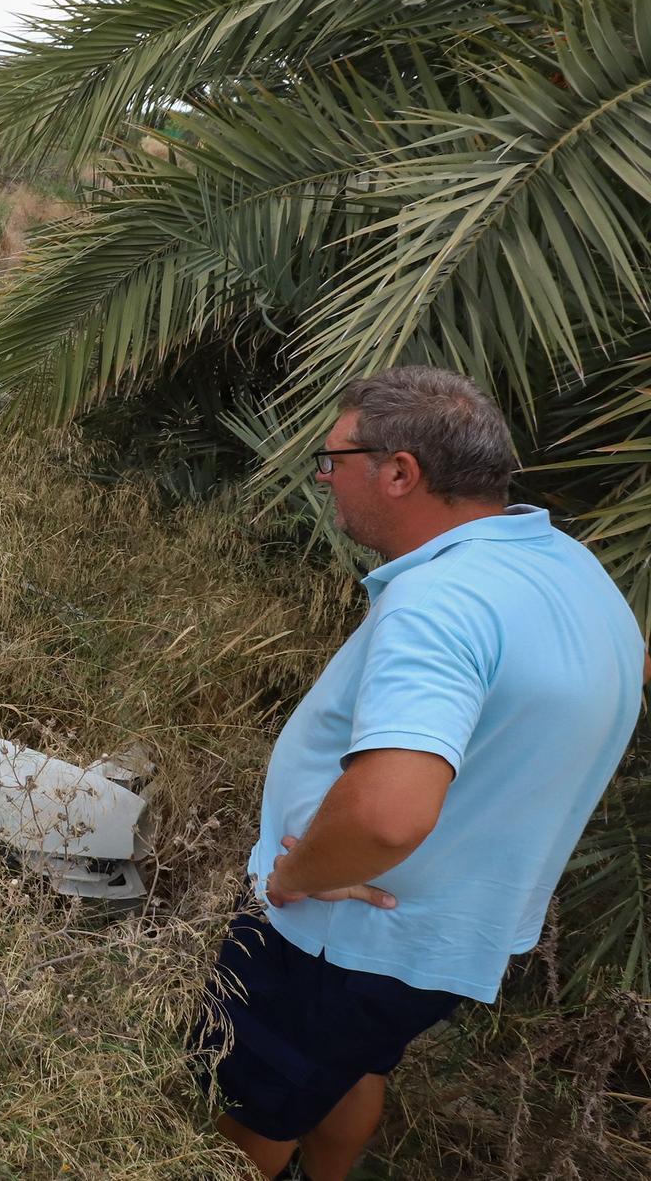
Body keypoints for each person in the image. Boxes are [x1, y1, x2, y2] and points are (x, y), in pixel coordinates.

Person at [193, 366, 643, 1181]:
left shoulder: (442, 599)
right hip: (440, 944)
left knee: (245, 1107)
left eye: (334, 459)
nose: (325, 478)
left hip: (339, 939)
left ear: (399, 472)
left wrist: (295, 873)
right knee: (352, 1066)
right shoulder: (568, 568)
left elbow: (386, 817)